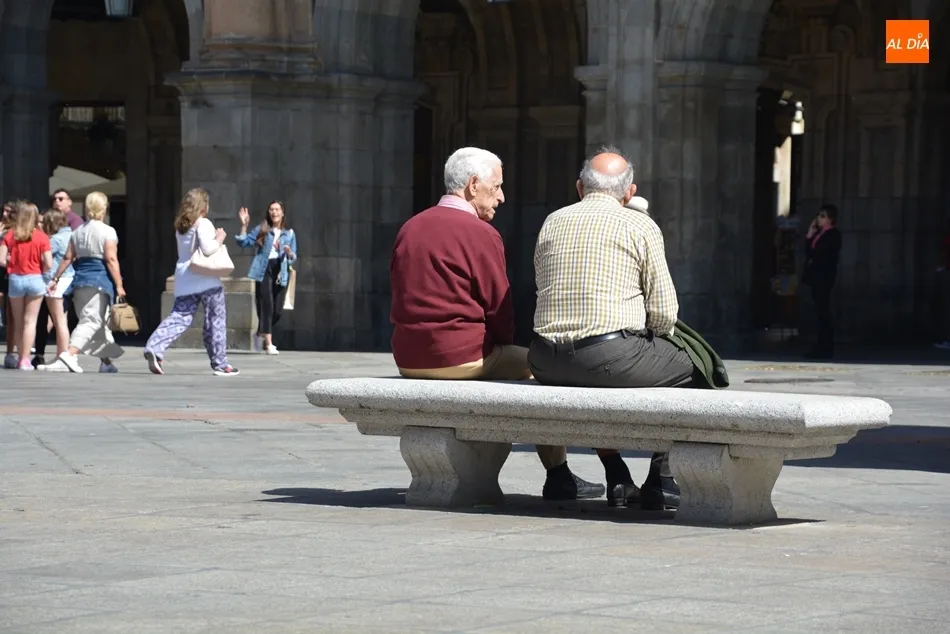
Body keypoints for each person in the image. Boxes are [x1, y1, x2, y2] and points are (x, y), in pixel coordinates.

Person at [390, 146, 604, 502]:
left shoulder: (410, 227)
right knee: (544, 368)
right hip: (460, 357)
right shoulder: (480, 233)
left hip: (408, 358)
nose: (502, 197)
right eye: (497, 186)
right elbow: (499, 311)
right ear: (473, 185)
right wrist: (505, 344)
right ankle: (559, 475)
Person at [529, 147, 695, 511]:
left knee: (592, 374)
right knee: (692, 368)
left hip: (543, 359)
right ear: (629, 192)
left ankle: (616, 473)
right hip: (609, 356)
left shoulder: (552, 221)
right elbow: (665, 314)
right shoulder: (640, 224)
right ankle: (661, 479)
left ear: (579, 187)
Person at [143, 188, 239, 376]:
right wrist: (219, 238)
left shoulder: (182, 225)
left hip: (185, 277)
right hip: (207, 278)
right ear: (204, 206)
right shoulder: (203, 223)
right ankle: (220, 363)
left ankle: (155, 346)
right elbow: (208, 249)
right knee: (215, 321)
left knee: (180, 316)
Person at [44, 192, 125, 373]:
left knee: (98, 322)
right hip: (98, 280)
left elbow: (67, 258)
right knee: (92, 320)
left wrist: (56, 278)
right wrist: (119, 285)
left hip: (79, 279)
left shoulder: (77, 231)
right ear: (103, 208)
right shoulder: (108, 231)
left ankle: (106, 362)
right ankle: (69, 355)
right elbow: (111, 259)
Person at [235, 201, 297, 355]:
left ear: (282, 213)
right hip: (264, 269)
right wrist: (244, 225)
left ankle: (258, 334)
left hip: (281, 270)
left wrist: (289, 253)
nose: (274, 212)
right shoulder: (262, 229)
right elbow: (244, 242)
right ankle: (269, 344)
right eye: (271, 209)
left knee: (277, 311)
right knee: (267, 305)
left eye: (277, 209)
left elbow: (293, 257)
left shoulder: (289, 234)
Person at [0, 201, 52, 371]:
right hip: (36, 279)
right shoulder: (42, 236)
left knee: (18, 321)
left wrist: (12, 262)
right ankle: (25, 360)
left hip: (15, 279)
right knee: (31, 321)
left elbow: (1, 260)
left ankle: (17, 355)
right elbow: (49, 263)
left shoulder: (10, 236)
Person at [801, 203, 842, 359]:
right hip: (816, 276)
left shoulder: (833, 234)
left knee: (823, 311)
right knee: (819, 311)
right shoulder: (820, 233)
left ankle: (825, 346)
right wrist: (809, 235)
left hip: (824, 276)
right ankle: (821, 345)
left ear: (830, 219)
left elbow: (817, 253)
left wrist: (811, 240)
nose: (819, 218)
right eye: (819, 215)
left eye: (823, 216)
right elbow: (809, 252)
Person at [35, 209, 74, 365]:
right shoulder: (71, 235)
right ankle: (62, 355)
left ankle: (63, 356)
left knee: (59, 322)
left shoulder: (55, 240)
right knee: (61, 320)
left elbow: (43, 259)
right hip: (69, 280)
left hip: (55, 281)